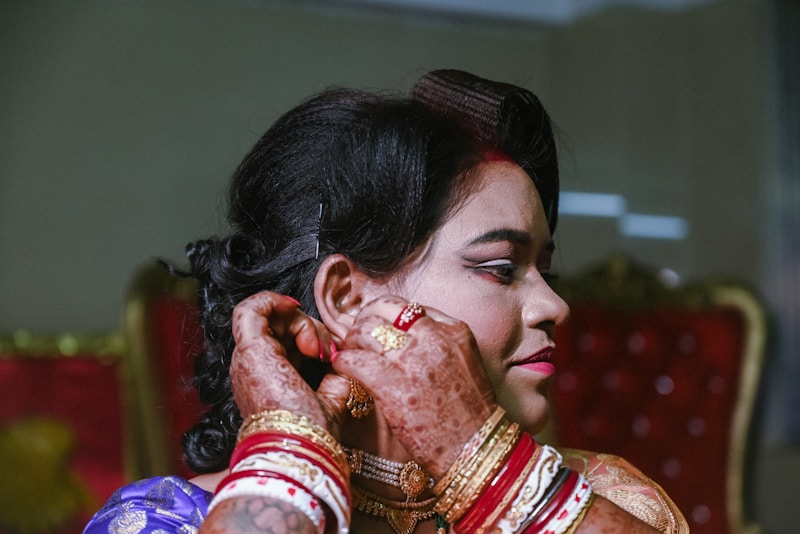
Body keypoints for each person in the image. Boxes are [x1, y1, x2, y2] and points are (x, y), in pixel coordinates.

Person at [84, 70, 688, 534]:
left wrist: (486, 468)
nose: (555, 306)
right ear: (346, 298)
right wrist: (291, 449)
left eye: (545, 270)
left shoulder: (609, 500)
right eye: (501, 269)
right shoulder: (173, 518)